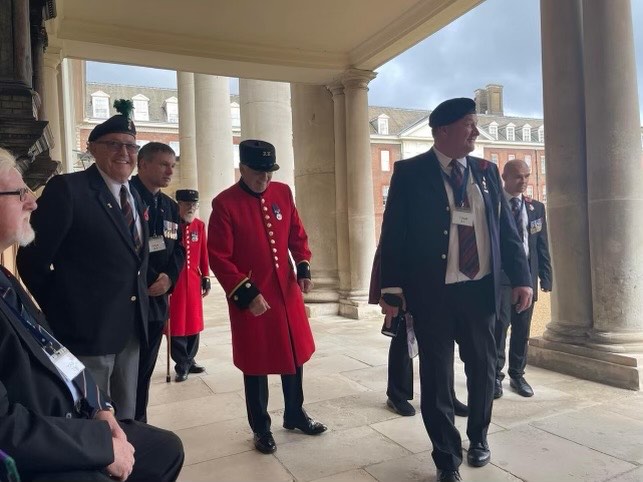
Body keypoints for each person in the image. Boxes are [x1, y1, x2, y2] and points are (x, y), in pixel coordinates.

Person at [0, 147, 184, 482]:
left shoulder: (4, 280)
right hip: (41, 438)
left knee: (163, 445)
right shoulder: (70, 190)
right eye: (20, 192)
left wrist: (100, 407)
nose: (32, 202)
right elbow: (6, 428)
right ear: (95, 149)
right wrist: (99, 445)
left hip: (119, 341)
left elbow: (50, 349)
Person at [378, 98, 532, 482]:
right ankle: (446, 457)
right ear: (442, 130)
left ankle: (478, 438)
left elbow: (506, 233)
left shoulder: (485, 171)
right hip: (433, 295)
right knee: (436, 377)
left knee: (483, 370)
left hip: (480, 292)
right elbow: (394, 231)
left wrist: (523, 277)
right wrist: (392, 286)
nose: (476, 132)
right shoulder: (410, 172)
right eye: (469, 124)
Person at [16, 100, 149, 420]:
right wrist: (65, 308)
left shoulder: (135, 195)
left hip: (130, 330)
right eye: (113, 144)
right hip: (87, 333)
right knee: (91, 418)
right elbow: (31, 258)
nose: (124, 152)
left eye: (131, 146)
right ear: (92, 148)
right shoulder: (69, 189)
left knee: (126, 415)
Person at [208, 139, 327, 455]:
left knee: (293, 355)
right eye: (258, 172)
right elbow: (219, 257)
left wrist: (303, 266)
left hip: (285, 294)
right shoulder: (224, 204)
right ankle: (261, 427)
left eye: (269, 172)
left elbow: (295, 235)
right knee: (256, 363)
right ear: (243, 168)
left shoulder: (282, 193)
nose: (265, 179)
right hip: (252, 298)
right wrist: (246, 293)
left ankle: (295, 413)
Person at [368, 244, 469, 418]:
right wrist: (391, 291)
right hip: (408, 278)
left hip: (440, 278)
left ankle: (447, 395)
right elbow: (390, 245)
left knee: (443, 341)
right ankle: (396, 394)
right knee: (402, 336)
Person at [130, 142, 185, 422]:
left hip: (157, 302)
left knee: (145, 370)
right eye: (164, 164)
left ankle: (139, 422)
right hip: (128, 303)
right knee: (125, 373)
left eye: (172, 166)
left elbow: (179, 249)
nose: (169, 171)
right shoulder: (125, 197)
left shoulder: (169, 207)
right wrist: (150, 279)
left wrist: (169, 278)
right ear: (143, 164)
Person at [494, 159, 552, 399]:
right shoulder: (494, 207)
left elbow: (541, 245)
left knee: (522, 329)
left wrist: (546, 277)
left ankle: (517, 374)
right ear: (505, 177)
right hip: (502, 280)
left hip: (527, 279)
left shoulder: (536, 208)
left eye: (527, 176)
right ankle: (495, 376)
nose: (524, 181)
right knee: (500, 327)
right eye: (518, 176)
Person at [169, 189, 210, 382]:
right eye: (187, 204)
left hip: (193, 281)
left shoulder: (199, 226)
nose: (191, 207)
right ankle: (181, 363)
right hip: (175, 283)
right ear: (179, 205)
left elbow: (203, 253)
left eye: (194, 204)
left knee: (193, 322)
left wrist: (206, 277)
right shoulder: (171, 226)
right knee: (176, 325)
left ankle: (190, 358)